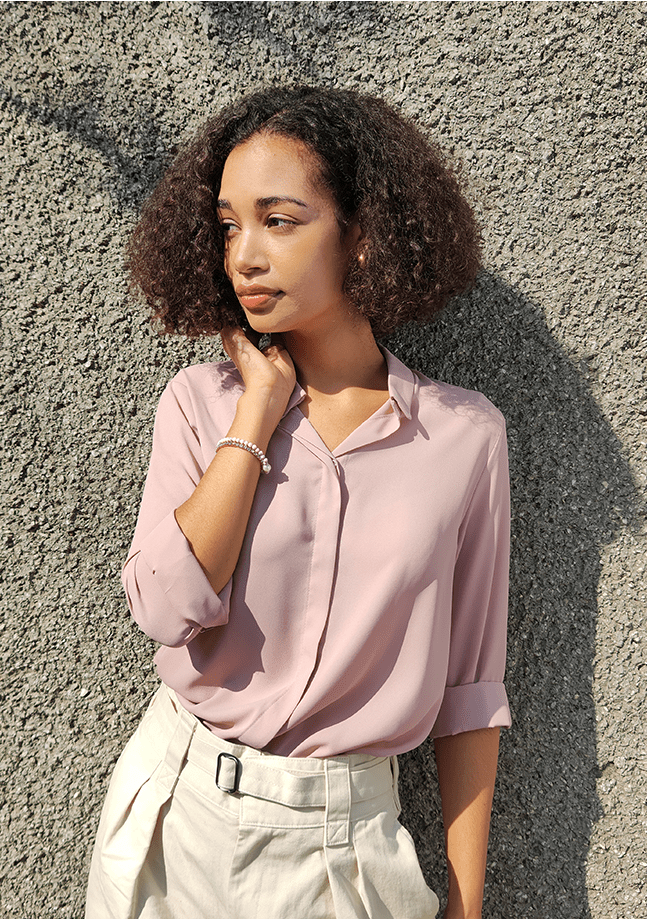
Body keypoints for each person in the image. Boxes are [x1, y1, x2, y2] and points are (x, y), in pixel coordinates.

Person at [86, 85, 511, 919]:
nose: (244, 254)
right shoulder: (199, 404)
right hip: (176, 819)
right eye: (228, 224)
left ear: (360, 237)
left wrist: (467, 906)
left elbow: (469, 691)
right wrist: (255, 414)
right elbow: (167, 608)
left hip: (341, 855)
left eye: (278, 220)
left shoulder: (465, 439)